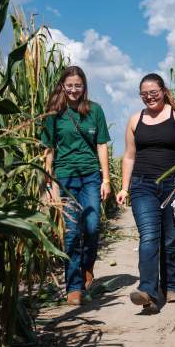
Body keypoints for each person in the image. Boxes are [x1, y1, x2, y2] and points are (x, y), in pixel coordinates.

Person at [116, 73, 175, 313]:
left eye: (153, 92)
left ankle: (171, 286)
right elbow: (129, 156)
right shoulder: (134, 120)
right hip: (143, 185)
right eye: (144, 94)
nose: (149, 97)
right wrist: (124, 186)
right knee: (149, 235)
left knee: (170, 239)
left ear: (163, 90)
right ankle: (148, 292)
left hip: (173, 184)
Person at [41, 66, 112, 306]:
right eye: (69, 85)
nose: (73, 90)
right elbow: (48, 148)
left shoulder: (95, 111)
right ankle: (73, 286)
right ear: (62, 86)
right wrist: (49, 181)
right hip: (65, 177)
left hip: (91, 175)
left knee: (91, 227)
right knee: (71, 232)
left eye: (78, 85)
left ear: (84, 87)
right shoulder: (54, 113)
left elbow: (102, 144)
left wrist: (106, 179)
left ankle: (87, 267)